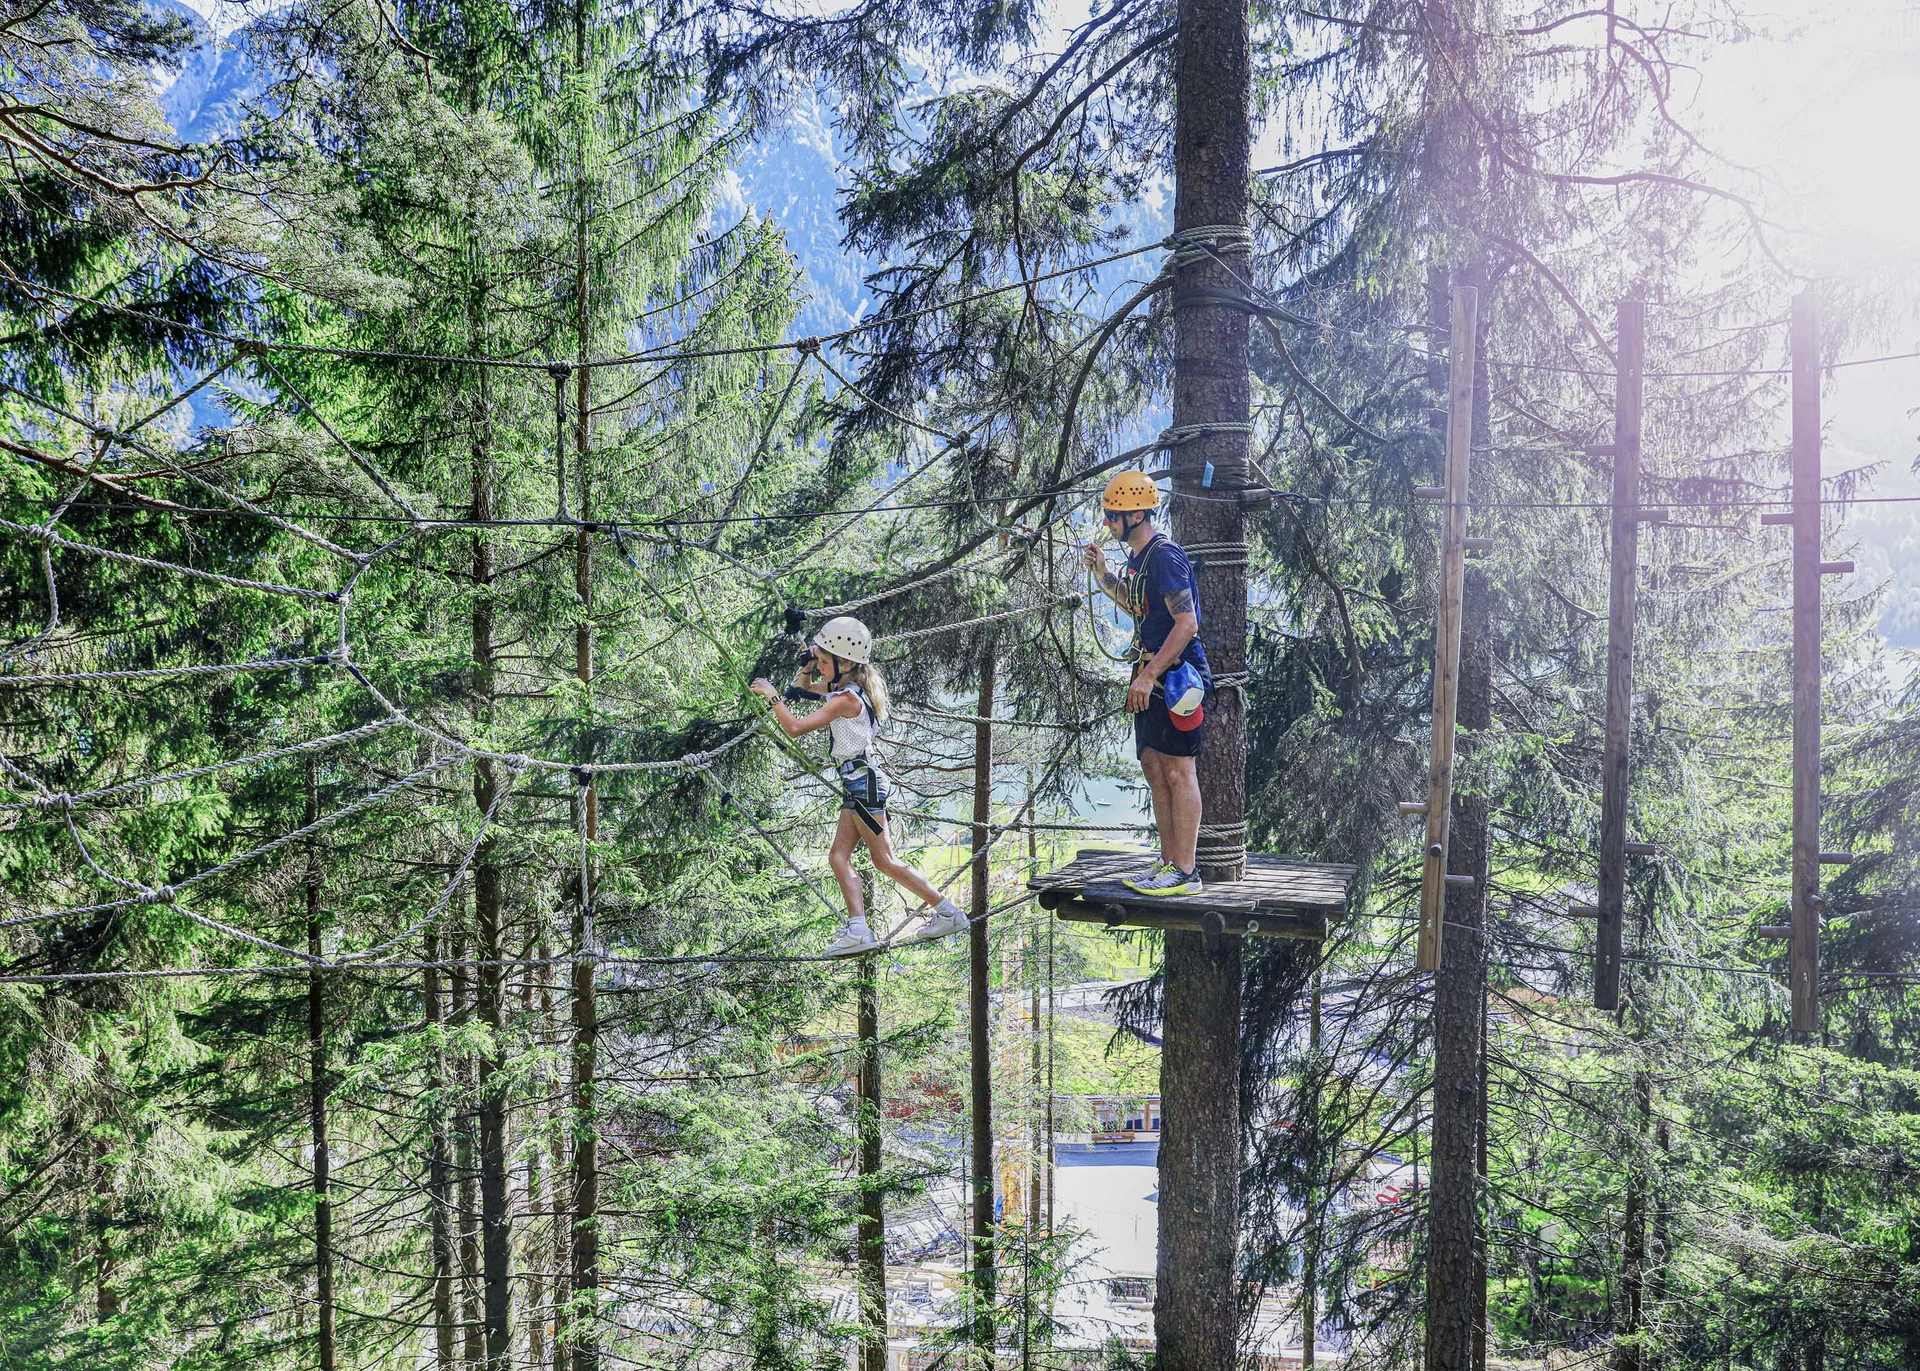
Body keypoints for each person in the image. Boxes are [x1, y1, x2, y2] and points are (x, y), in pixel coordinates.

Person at [750, 615, 970, 957]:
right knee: (838, 856)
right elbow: (804, 688)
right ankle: (858, 929)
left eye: (825, 662)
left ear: (846, 663)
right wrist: (808, 663)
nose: (821, 669)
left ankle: (948, 912)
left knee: (885, 860)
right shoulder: (850, 689)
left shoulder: (846, 699)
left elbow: (794, 727)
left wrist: (772, 696)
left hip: (863, 784)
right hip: (856, 783)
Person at [1082, 470, 1212, 896]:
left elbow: (1187, 622)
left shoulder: (1165, 557)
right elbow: (1137, 604)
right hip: (1149, 677)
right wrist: (1103, 574)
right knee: (1155, 769)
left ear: (1138, 514)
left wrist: (1151, 673)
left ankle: (1187, 871)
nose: (1108, 522)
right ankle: (1169, 862)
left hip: (1176, 681)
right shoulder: (1139, 561)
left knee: (1179, 770)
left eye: (1113, 515)